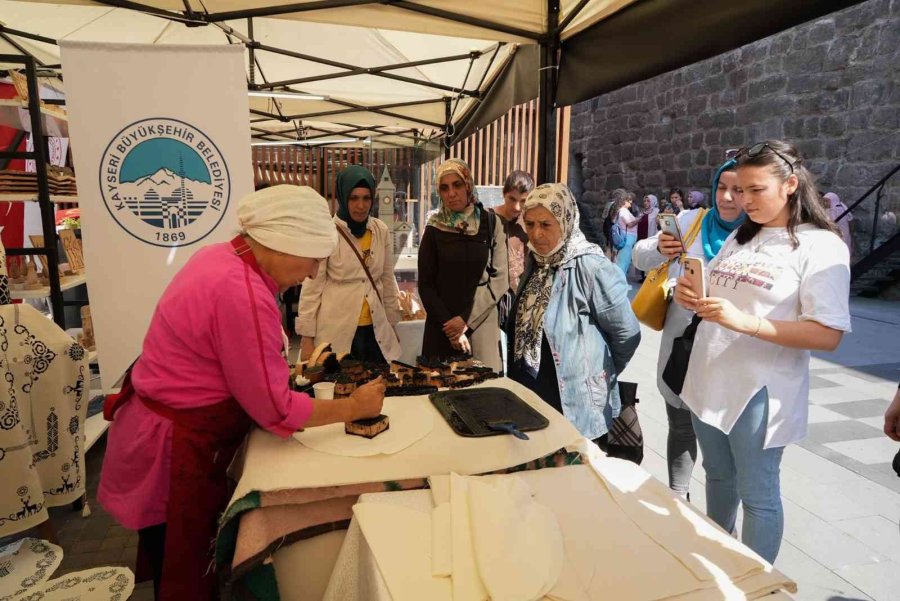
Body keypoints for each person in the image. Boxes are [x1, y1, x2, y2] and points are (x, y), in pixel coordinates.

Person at [98, 185, 386, 600]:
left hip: (156, 430)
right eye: (312, 260)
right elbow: (275, 410)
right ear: (286, 244)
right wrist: (353, 407)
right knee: (184, 570)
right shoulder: (243, 291)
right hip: (177, 450)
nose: (310, 273)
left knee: (172, 560)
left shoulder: (222, 256)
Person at [675, 140, 851, 563]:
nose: (742, 200)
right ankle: (720, 560)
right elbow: (716, 289)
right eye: (738, 189)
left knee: (758, 493)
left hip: (759, 390)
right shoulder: (742, 235)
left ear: (790, 184)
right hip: (708, 375)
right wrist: (689, 294)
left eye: (755, 190)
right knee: (717, 478)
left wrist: (747, 323)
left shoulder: (821, 246)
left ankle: (758, 584)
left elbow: (828, 334)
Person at [632, 159, 745, 498]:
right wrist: (659, 248)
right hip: (682, 344)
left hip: (726, 353)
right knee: (680, 427)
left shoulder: (756, 235)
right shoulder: (690, 221)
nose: (727, 197)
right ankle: (677, 497)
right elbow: (640, 256)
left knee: (717, 442)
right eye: (721, 187)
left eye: (738, 190)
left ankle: (720, 513)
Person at [507, 183, 641, 444]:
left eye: (546, 224)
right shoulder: (536, 261)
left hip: (574, 406)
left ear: (565, 220)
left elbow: (627, 333)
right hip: (530, 397)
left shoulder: (591, 267)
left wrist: (598, 375)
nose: (536, 234)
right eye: (530, 224)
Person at [297, 165, 402, 364]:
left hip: (375, 330)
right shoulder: (328, 232)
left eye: (366, 198)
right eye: (354, 198)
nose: (360, 206)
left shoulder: (380, 231)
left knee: (379, 388)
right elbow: (311, 288)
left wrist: (392, 325)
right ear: (343, 198)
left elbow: (387, 280)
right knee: (340, 389)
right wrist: (306, 339)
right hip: (337, 331)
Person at [418, 159, 508, 370]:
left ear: (468, 184)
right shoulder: (434, 229)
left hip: (480, 325)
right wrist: (451, 327)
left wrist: (466, 321)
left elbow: (500, 279)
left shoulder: (492, 224)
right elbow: (426, 285)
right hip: (442, 328)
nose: (451, 193)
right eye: (444, 187)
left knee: (483, 395)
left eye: (457, 184)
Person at [493, 170, 535, 320]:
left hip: (519, 296)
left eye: (523, 201)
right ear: (504, 194)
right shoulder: (489, 219)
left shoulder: (530, 222)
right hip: (492, 298)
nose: (517, 207)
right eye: (512, 199)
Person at [614, 194, 639, 276]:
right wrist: (638, 219)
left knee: (624, 260)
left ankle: (621, 282)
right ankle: (619, 283)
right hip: (627, 238)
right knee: (623, 261)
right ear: (624, 201)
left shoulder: (622, 211)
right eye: (629, 200)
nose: (631, 202)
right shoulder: (623, 211)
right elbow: (630, 224)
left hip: (627, 237)